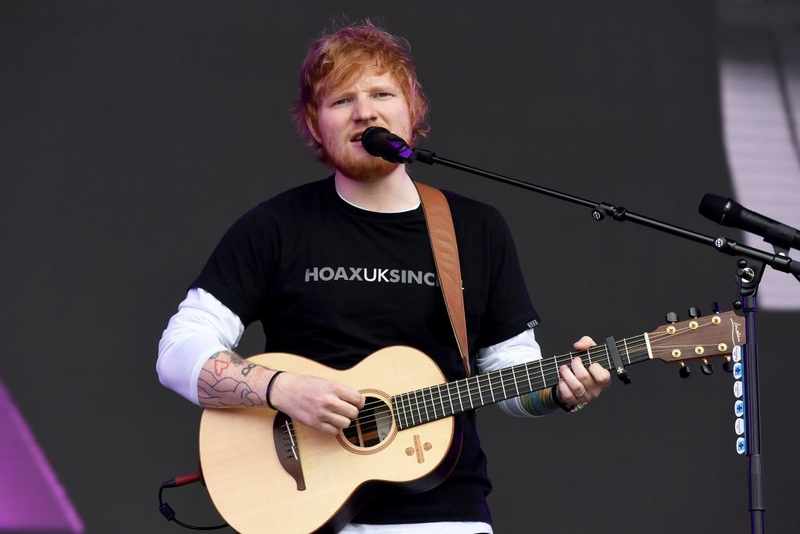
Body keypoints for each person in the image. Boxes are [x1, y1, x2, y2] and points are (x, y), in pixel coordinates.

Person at [157, 20, 611, 534]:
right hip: (308, 515)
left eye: (381, 93)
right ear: (313, 123)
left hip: (447, 518)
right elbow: (178, 351)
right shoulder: (275, 227)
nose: (365, 111)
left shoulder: (474, 229)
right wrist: (279, 388)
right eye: (341, 100)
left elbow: (509, 371)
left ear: (413, 111)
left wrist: (559, 391)